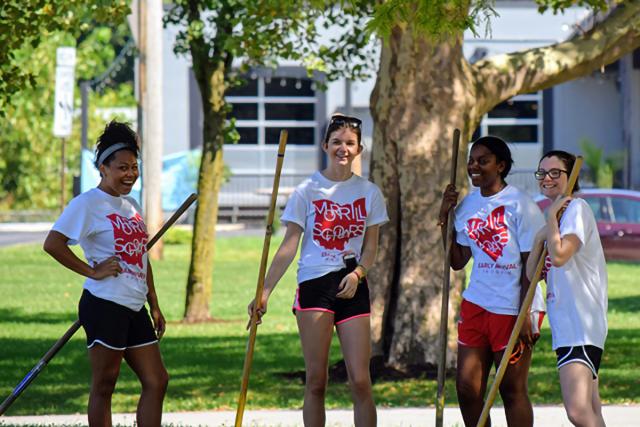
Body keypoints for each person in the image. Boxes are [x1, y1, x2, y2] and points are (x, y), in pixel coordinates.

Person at [247, 113, 388, 427]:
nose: (343, 148)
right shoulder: (307, 190)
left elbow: (371, 246)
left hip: (353, 283)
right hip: (314, 284)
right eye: (337, 141)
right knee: (316, 381)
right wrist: (264, 291)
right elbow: (288, 246)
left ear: (359, 149)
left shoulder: (369, 193)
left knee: (361, 381)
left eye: (350, 143)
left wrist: (359, 274)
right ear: (325, 145)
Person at [43, 121, 168, 427]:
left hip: (135, 305)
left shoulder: (131, 205)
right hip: (104, 304)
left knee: (157, 380)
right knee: (105, 384)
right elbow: (53, 244)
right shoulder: (87, 204)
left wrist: (154, 302)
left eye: (134, 167)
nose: (130, 174)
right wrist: (92, 271)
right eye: (122, 167)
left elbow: (141, 256)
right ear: (103, 168)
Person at [438, 136, 546, 427]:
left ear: (501, 166)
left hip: (513, 307)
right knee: (467, 389)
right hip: (477, 303)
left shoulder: (521, 205)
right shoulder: (467, 205)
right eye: (471, 160)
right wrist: (445, 219)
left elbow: (531, 266)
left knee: (511, 389)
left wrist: (525, 314)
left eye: (482, 160)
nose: (474, 166)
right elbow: (458, 260)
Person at [526, 150, 607, 427]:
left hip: (580, 326)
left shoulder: (575, 210)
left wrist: (550, 220)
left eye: (555, 173)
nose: (547, 178)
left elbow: (560, 256)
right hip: (568, 326)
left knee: (578, 411)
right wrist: (540, 238)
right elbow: (531, 275)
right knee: (591, 410)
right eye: (542, 173)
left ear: (571, 177)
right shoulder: (559, 217)